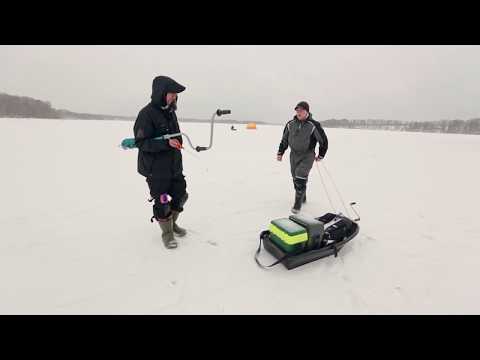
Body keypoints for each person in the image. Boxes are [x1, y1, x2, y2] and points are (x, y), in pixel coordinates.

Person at [133, 76, 189, 249]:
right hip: (156, 171)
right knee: (163, 201)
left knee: (180, 196)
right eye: (171, 93)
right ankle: (167, 233)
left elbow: (176, 136)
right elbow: (141, 142)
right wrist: (165, 143)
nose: (174, 97)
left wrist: (178, 141)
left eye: (175, 94)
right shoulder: (146, 114)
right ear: (161, 93)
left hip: (174, 167)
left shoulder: (171, 113)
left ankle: (172, 224)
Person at [277, 101, 328, 213]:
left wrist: (321, 154)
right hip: (294, 155)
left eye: (301, 110)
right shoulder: (290, 124)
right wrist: (280, 152)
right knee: (295, 177)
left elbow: (323, 141)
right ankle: (302, 196)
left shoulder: (313, 125)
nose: (299, 112)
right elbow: (284, 139)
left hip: (307, 155)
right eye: (297, 110)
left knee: (300, 175)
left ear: (307, 112)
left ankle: (297, 203)